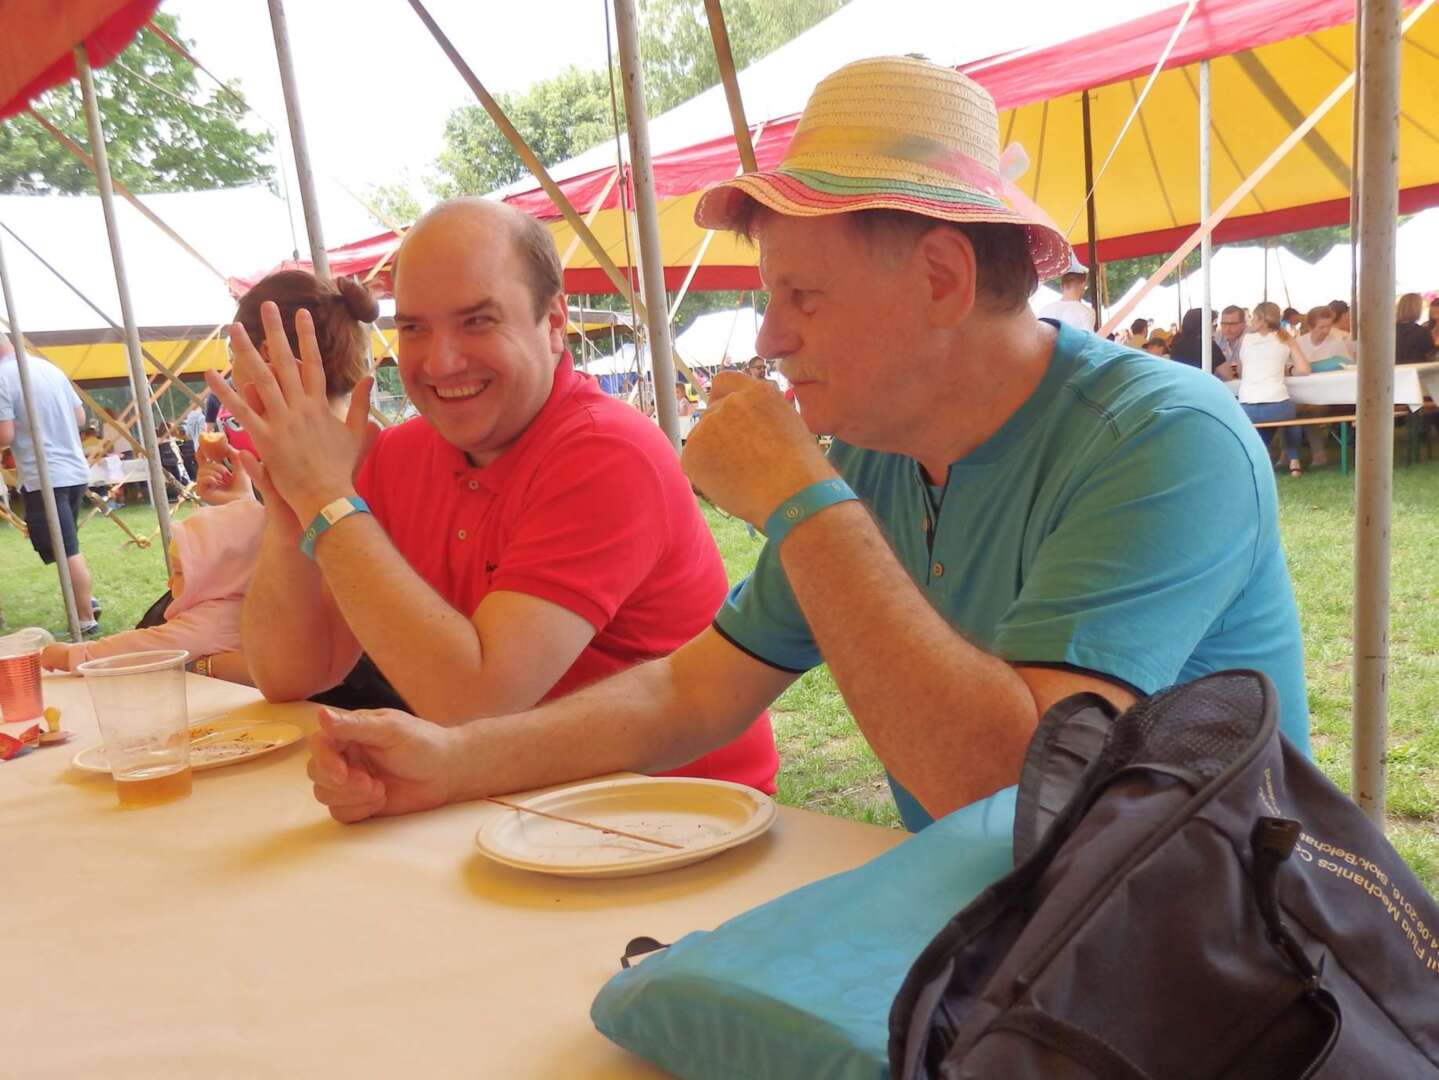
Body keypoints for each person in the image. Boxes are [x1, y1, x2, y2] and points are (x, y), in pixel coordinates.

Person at [299, 57, 1310, 832]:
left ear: (942, 280)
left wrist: (803, 498)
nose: (772, 338)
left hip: (1209, 963)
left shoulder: (1163, 438)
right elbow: (692, 690)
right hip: (1017, 940)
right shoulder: (879, 446)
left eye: (801, 295)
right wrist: (453, 760)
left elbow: (1010, 789)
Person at [206, 199, 778, 792]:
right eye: (414, 328)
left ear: (552, 323)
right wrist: (291, 504)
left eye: (477, 321)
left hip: (681, 816)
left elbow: (477, 704)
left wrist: (328, 498)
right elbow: (290, 674)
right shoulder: (398, 457)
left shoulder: (607, 452)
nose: (440, 361)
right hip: (514, 805)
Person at [40, 498, 258, 682]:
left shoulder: (212, 621)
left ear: (219, 578)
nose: (169, 583)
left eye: (180, 573)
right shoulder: (244, 604)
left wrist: (74, 654)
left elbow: (141, 648)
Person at [0, 337, 100, 634]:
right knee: (65, 545)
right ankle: (86, 600)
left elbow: (5, 435)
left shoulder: (3, 377)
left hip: (46, 475)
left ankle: (85, 618)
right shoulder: (48, 368)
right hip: (74, 470)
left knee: (65, 549)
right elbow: (80, 416)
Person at [1236, 301, 1311, 477]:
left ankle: (1260, 459)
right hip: (1277, 403)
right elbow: (1304, 369)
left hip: (1246, 405)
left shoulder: (1245, 340)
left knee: (1263, 423)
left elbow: (1240, 370)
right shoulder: (1285, 338)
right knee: (1291, 418)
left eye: (1254, 318)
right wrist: (1287, 370)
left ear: (1261, 320)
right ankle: (1294, 461)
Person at [1036, 260, 1094, 330]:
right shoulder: (1086, 313)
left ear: (1062, 286)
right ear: (1083, 285)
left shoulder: (1045, 309)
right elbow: (1088, 337)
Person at [1168, 307, 1225, 372]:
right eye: (1213, 324)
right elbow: (1228, 375)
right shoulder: (1209, 347)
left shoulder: (1177, 346)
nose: (1214, 327)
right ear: (1203, 325)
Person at [1395, 293, 1435, 363]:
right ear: (1417, 309)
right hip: (1415, 368)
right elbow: (1430, 354)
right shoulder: (1422, 332)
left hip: (1392, 368)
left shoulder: (1389, 331)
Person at [1215, 305, 1245, 378]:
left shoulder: (1251, 339)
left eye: (1232, 324)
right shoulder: (1216, 337)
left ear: (1243, 324)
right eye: (1224, 324)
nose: (1227, 329)